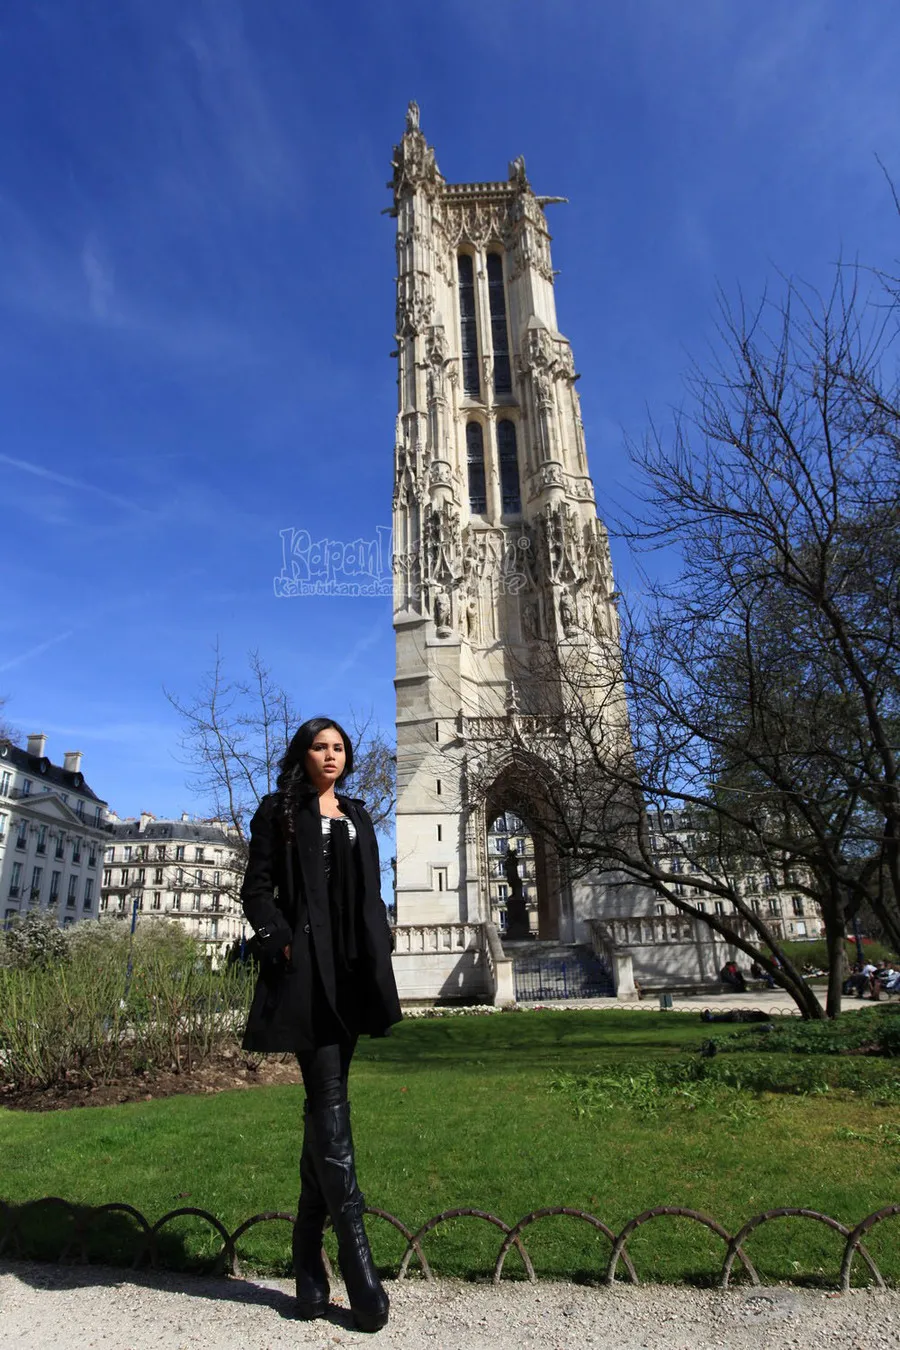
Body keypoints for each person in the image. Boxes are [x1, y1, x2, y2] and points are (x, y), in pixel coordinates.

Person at [240, 717, 402, 1332]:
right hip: (307, 972)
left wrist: (380, 936)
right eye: (319, 747)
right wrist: (278, 940)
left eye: (338, 748)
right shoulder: (277, 812)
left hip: (354, 970)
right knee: (329, 1098)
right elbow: (256, 889)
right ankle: (358, 1265)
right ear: (302, 754)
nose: (330, 756)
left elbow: (370, 890)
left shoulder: (358, 815)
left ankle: (307, 1258)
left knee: (325, 1108)